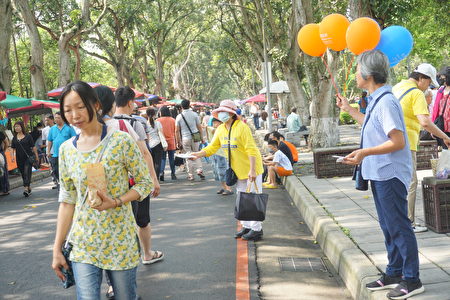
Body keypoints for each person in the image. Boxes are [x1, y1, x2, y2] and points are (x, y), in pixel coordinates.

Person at [51, 81, 152, 300]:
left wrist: (116, 201)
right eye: (67, 110)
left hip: (120, 240)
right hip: (83, 244)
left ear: (95, 105)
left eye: (79, 106)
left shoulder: (121, 141)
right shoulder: (66, 149)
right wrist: (57, 248)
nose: (74, 114)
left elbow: (145, 184)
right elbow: (67, 200)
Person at [337, 50, 424, 299]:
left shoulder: (386, 101)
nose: (355, 75)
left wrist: (364, 152)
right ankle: (394, 272)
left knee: (398, 226)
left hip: (390, 173)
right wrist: (349, 109)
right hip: (378, 172)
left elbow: (397, 141)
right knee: (388, 226)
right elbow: (372, 124)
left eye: (357, 71)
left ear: (368, 75)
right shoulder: (377, 98)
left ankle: (412, 279)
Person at [191, 100, 264, 241]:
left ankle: (257, 229)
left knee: (253, 198)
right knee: (242, 199)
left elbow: (251, 149)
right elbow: (212, 147)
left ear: (231, 113)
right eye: (219, 111)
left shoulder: (242, 127)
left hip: (251, 169)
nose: (220, 113)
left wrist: (253, 170)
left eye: (223, 111)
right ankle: (246, 226)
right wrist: (197, 154)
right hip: (237, 171)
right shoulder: (221, 129)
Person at [393, 63, 450, 233]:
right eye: (428, 82)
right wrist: (445, 137)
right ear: (421, 79)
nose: (428, 87)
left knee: (398, 182)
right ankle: (408, 223)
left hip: (392, 141)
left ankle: (398, 220)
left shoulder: (398, 86)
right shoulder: (416, 93)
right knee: (411, 182)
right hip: (406, 143)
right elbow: (425, 121)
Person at [113, 86, 163, 266]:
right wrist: (153, 180)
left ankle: (121, 265)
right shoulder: (136, 123)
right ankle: (147, 254)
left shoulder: (104, 124)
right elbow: (145, 153)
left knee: (120, 223)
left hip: (115, 183)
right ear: (130, 102)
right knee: (142, 220)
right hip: (136, 182)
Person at [175, 99, 204, 181]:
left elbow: (176, 130)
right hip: (195, 137)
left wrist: (178, 141)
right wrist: (202, 138)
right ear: (189, 105)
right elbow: (199, 127)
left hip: (185, 138)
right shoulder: (194, 114)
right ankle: (199, 170)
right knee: (196, 154)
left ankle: (191, 175)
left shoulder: (179, 116)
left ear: (181, 106)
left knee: (188, 156)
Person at [47, 112, 77, 190]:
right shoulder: (52, 129)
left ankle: (69, 183)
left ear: (63, 118)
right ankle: (61, 182)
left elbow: (74, 139)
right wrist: (48, 151)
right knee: (56, 170)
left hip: (67, 154)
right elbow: (49, 141)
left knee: (68, 169)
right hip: (56, 154)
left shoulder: (69, 128)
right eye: (55, 118)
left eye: (58, 118)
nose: (56, 119)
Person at [11, 121, 39, 197]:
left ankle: (26, 188)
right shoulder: (14, 138)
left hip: (28, 157)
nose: (16, 128)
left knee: (27, 172)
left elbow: (33, 147)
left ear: (22, 127)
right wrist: (12, 157)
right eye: (15, 126)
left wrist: (36, 156)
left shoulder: (28, 136)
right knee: (23, 173)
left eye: (18, 126)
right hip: (19, 158)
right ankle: (29, 187)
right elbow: (13, 149)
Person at [208, 117, 233, 195]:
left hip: (222, 153)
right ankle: (223, 187)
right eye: (213, 123)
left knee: (223, 170)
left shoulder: (222, 130)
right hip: (215, 153)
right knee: (217, 171)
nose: (214, 124)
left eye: (216, 123)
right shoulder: (216, 129)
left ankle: (228, 188)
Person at [431, 67, 450, 146]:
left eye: (443, 76)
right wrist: (433, 127)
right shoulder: (441, 90)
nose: (441, 78)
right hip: (442, 126)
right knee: (445, 151)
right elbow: (435, 109)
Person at [157, 106, 177, 180]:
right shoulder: (173, 120)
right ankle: (173, 174)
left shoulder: (158, 120)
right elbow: (175, 131)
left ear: (161, 112)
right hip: (171, 141)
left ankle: (161, 173)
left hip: (162, 142)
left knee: (162, 158)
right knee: (172, 158)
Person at [146, 107, 165, 181]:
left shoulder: (145, 124)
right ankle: (156, 179)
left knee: (151, 162)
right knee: (157, 162)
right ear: (154, 114)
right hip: (157, 144)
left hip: (149, 145)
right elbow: (161, 134)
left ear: (147, 115)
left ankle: (151, 178)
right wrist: (164, 144)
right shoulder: (158, 123)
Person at [0, 130, 10, 196]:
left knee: (2, 172)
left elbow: (7, 143)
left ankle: (4, 189)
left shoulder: (0, 133)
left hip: (0, 154)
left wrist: (3, 151)